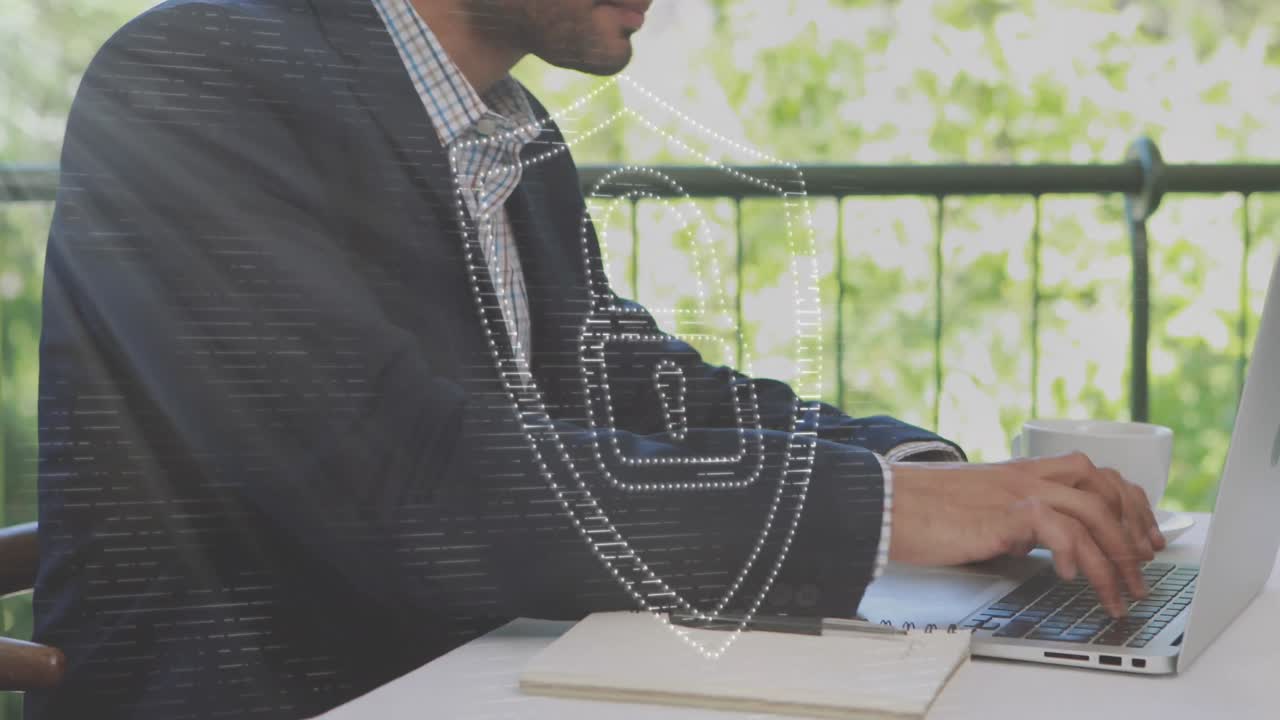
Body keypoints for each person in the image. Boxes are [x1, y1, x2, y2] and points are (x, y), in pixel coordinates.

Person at [34, 0, 1165, 718]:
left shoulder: (512, 132)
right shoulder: (189, 81)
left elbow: (639, 385)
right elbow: (412, 488)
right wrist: (886, 511)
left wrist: (925, 471)